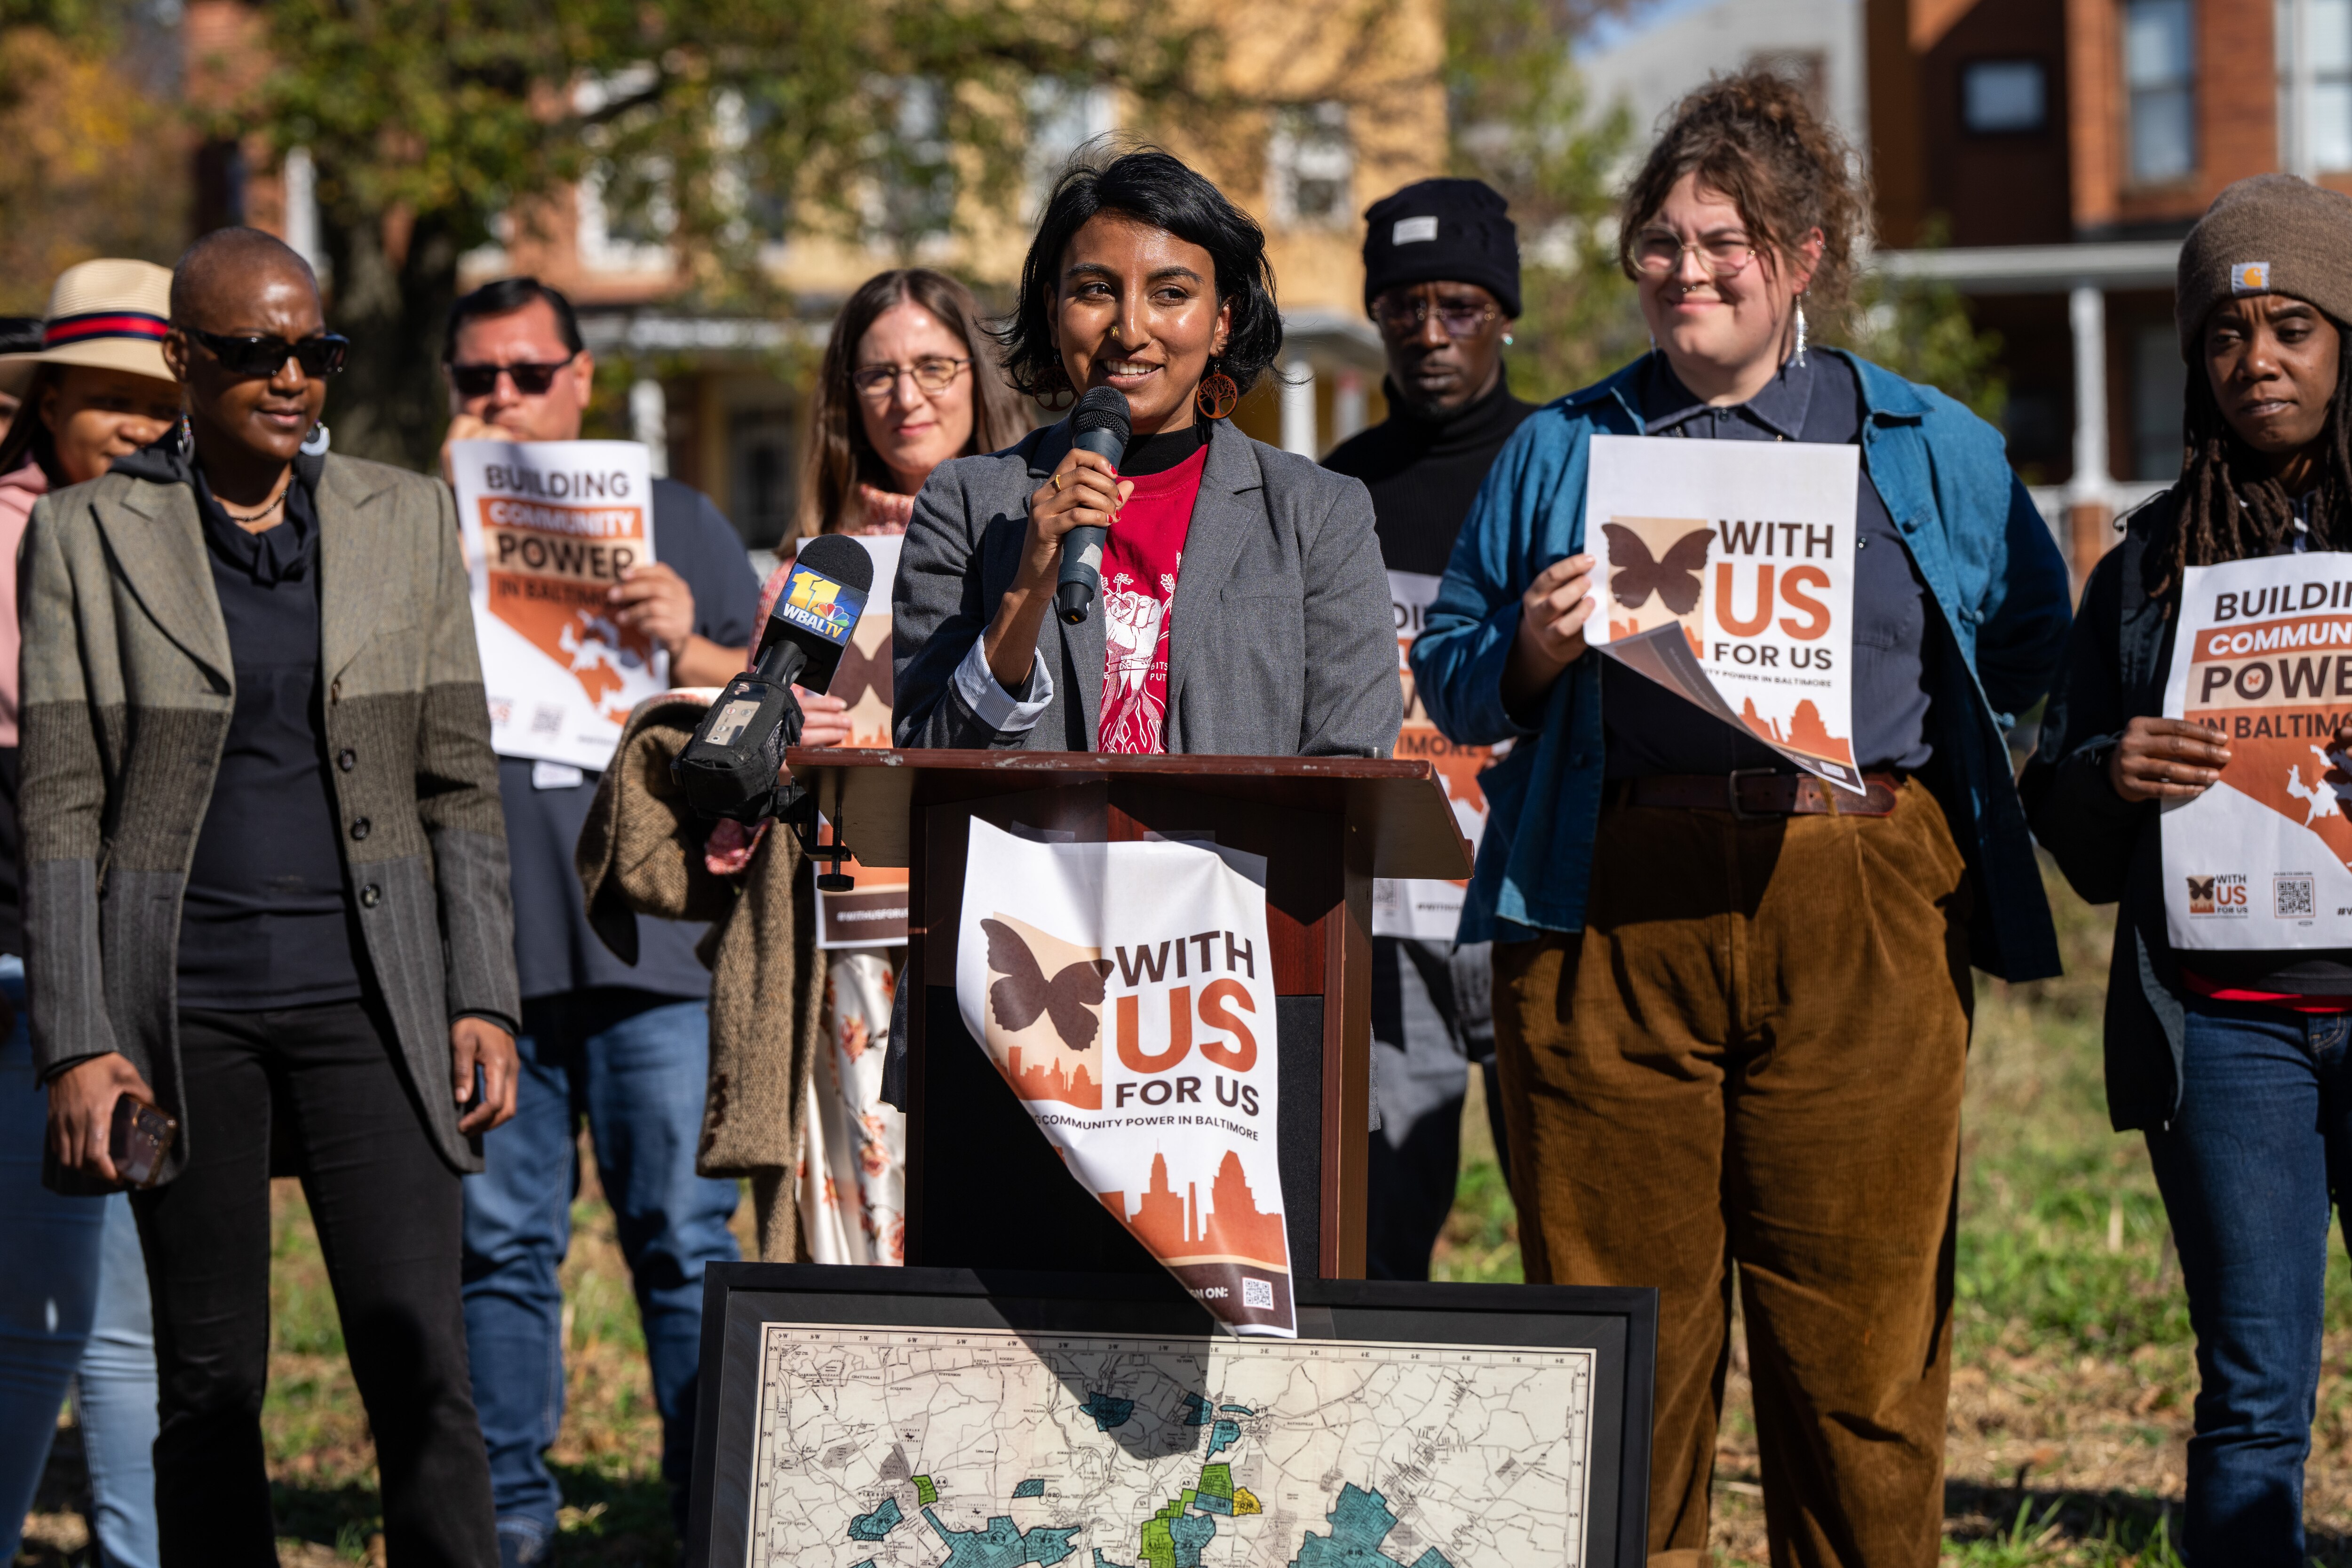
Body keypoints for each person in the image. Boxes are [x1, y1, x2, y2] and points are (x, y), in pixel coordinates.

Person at [1411, 72, 2074, 1564]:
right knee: (1622, 1343)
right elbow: (1455, 678)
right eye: (1663, 241)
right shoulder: (1563, 448)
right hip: (1608, 909)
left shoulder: (1929, 444)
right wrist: (1534, 639)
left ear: (1809, 255)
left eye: (1732, 242)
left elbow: (2035, 640)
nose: (1691, 271)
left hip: (1859, 903)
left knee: (1861, 1344)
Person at [25, 226, 517, 1560]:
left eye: (317, 350)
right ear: (186, 360)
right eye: (255, 351)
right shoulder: (84, 534)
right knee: (213, 1378)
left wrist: (484, 993)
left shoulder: (403, 512)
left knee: (421, 1363)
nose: (292, 376)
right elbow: (63, 800)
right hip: (182, 1006)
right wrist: (79, 1036)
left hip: (378, 996)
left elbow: (459, 779)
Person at [2022, 173, 2352, 1567]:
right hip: (2224, 1032)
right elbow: (2062, 809)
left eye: (2293, 328)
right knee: (2257, 1391)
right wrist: (2110, 772)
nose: (2258, 361)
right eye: (2227, 335)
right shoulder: (2147, 565)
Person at [439, 276, 761, 1566]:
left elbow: (773, 728)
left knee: (683, 1239)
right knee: (501, 1241)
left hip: (658, 948)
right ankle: (509, 1508)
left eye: (528, 372)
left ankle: (703, 1507)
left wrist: (691, 641)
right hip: (490, 951)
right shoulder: (417, 526)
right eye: (478, 379)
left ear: (581, 375)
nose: (505, 398)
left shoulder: (682, 517)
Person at [893, 146, 1399, 758]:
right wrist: (1026, 592)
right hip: (1033, 856)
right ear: (1054, 311)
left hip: (1233, 858)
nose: (1130, 330)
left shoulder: (1318, 514)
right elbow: (925, 766)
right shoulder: (965, 507)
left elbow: (1350, 770)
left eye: (1170, 294)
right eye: (1096, 289)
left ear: (1222, 321)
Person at [785, 268, 1025, 1266]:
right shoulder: (820, 567)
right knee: (878, 1224)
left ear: (980, 380)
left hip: (1015, 927)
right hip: (863, 940)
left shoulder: (1037, 537)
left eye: (934, 365)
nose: (907, 396)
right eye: (878, 374)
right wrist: (788, 736)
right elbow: (767, 769)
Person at [0, 258, 177, 1568]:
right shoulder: (12, 533)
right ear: (46, 399)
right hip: (28, 968)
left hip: (157, 971)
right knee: (39, 1316)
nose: (140, 422)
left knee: (120, 1315)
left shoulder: (200, 539)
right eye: (109, 396)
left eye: (163, 398)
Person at [1324, 178, 1531, 1281]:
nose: (1430, 333)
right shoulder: (1335, 491)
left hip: (1532, 900)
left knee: (1571, 1210)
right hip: (1391, 915)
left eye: (1458, 304)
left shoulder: (1558, 466)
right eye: (1403, 307)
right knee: (1379, 1226)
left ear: (1503, 310)